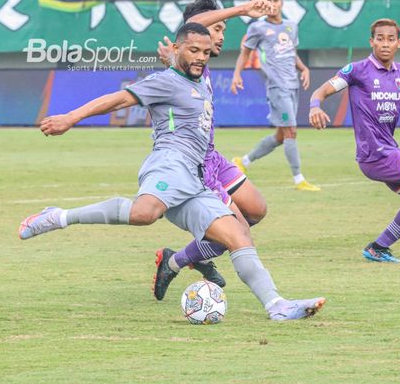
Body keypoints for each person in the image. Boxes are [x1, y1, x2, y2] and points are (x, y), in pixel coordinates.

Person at [19, 22, 326, 320]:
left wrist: (189, 52)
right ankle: (58, 217)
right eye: (193, 51)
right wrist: (71, 118)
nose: (201, 57)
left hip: (196, 178)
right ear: (178, 48)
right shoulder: (165, 81)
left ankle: (277, 305)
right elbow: (118, 99)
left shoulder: (200, 79)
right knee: (144, 213)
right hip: (170, 162)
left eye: (206, 53)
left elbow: (200, 41)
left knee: (238, 235)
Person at [152, 0, 273, 301]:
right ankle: (177, 261)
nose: (221, 35)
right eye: (216, 28)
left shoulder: (198, 59)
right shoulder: (189, 58)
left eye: (224, 29)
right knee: (238, 234)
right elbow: (192, 31)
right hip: (197, 166)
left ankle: (179, 257)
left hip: (214, 156)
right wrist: (243, 9)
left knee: (256, 209)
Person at [308, 18, 400, 263]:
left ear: (398, 43)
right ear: (371, 42)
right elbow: (321, 91)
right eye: (380, 39)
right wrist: (315, 106)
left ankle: (379, 247)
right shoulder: (356, 70)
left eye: (390, 39)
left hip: (388, 151)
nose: (385, 44)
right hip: (375, 155)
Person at [231, 0, 320, 192]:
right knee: (291, 131)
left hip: (293, 85)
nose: (272, 4)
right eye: (268, 0)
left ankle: (243, 161)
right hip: (277, 87)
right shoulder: (257, 28)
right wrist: (237, 74)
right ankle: (299, 180)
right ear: (263, 4)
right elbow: (245, 53)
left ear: (282, 3)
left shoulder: (291, 26)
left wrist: (304, 68)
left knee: (281, 136)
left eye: (276, 0)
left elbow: (291, 52)